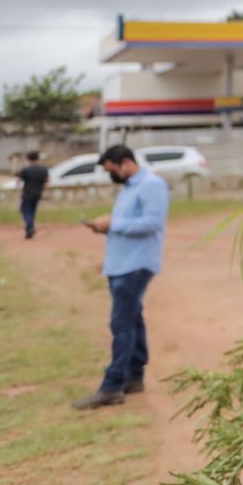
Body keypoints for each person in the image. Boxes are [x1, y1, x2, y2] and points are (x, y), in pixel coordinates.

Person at [72, 144, 169, 410]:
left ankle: (112, 386)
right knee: (133, 319)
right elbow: (128, 224)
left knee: (122, 323)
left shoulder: (151, 185)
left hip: (136, 265)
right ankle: (134, 376)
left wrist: (113, 224)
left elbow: (152, 223)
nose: (110, 175)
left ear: (125, 163)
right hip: (121, 264)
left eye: (111, 170)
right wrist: (105, 226)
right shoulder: (129, 189)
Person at [17, 150, 48, 238]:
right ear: (38, 158)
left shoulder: (26, 169)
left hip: (27, 193)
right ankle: (29, 228)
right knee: (32, 211)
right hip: (38, 193)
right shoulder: (43, 169)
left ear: (28, 159)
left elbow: (18, 181)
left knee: (25, 210)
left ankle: (30, 227)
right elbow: (47, 180)